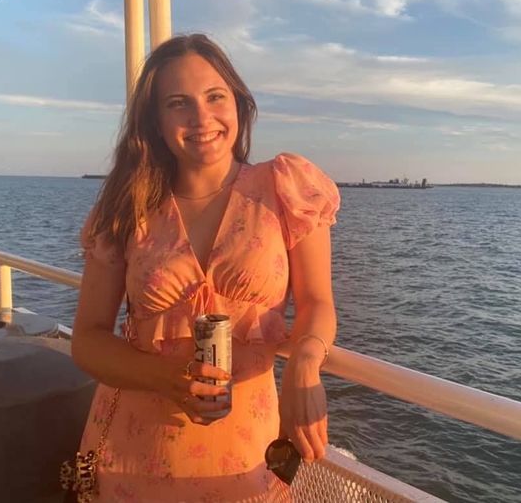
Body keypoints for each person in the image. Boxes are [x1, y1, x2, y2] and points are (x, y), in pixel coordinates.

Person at [72, 33, 340, 502]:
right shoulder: (127, 206)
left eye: (215, 96)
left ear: (238, 104)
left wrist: (304, 362)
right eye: (178, 103)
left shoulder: (285, 189)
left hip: (246, 458)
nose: (201, 118)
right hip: (133, 458)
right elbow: (88, 340)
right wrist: (166, 380)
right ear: (155, 121)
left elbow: (317, 303)